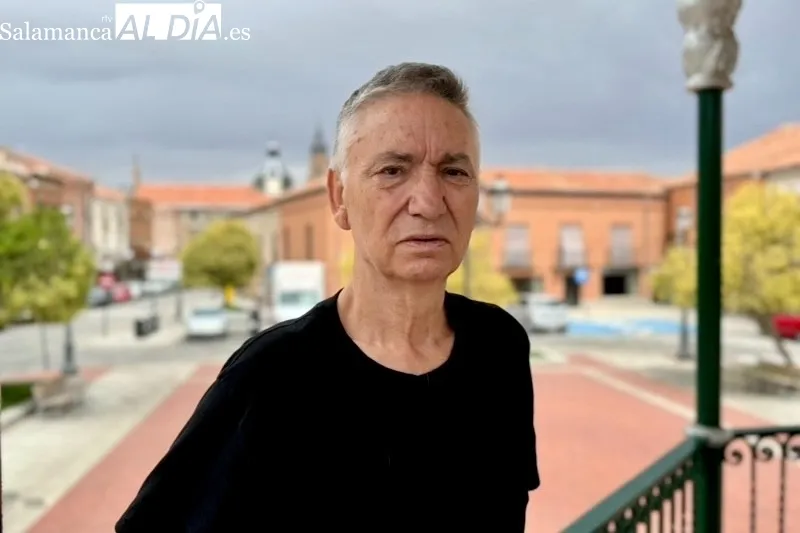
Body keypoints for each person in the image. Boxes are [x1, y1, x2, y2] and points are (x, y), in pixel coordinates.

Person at [116, 62, 539, 533]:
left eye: (454, 171)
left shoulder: (499, 345)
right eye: (392, 171)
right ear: (339, 198)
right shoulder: (271, 375)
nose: (427, 201)